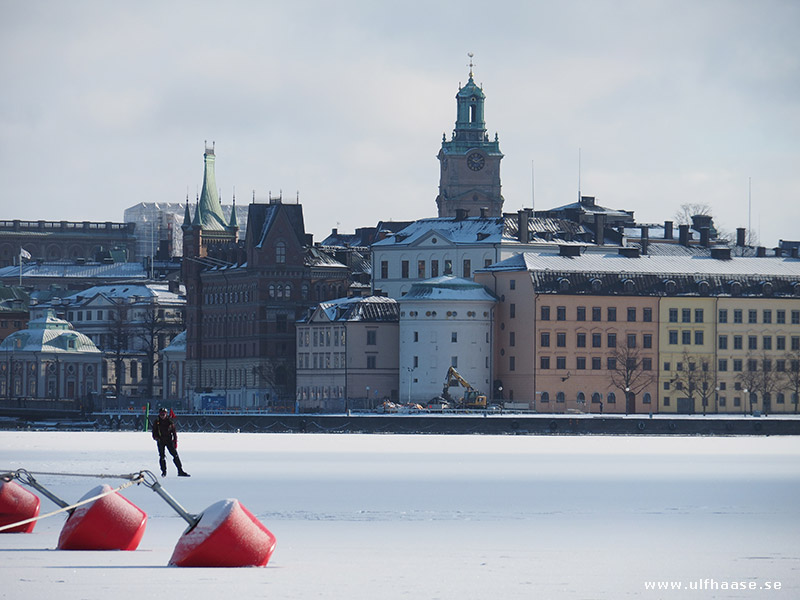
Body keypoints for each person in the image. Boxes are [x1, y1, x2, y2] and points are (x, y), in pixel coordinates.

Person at [152, 407, 190, 477]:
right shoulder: (156, 422)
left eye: (164, 414)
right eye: (161, 414)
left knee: (175, 455)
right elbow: (154, 433)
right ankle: (164, 471)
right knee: (162, 456)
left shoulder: (170, 421)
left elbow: (174, 432)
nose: (162, 416)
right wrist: (157, 438)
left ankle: (180, 470)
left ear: (166, 414)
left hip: (169, 441)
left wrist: (175, 441)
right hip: (161, 441)